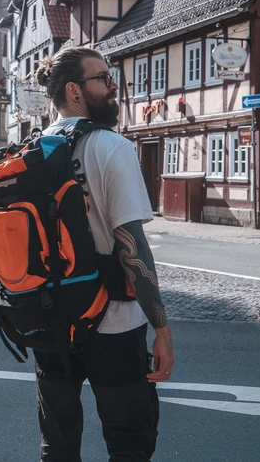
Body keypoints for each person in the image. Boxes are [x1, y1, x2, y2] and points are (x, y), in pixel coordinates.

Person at [36, 47, 174, 461]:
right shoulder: (111, 147)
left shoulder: (29, 150)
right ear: (74, 90)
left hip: (49, 321)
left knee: (58, 446)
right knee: (130, 440)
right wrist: (161, 328)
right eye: (104, 78)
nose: (114, 87)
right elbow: (132, 247)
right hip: (111, 323)